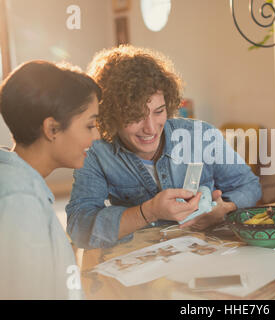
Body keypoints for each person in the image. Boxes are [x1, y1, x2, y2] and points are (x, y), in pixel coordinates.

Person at [66, 45, 262, 249]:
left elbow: (249, 185)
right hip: (142, 267)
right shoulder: (97, 152)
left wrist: (225, 209)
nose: (150, 128)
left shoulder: (202, 136)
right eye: (135, 117)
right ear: (110, 114)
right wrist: (148, 212)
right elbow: (79, 228)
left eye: (158, 111)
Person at [0, 60, 102, 299]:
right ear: (52, 129)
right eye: (90, 125)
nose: (96, 136)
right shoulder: (20, 200)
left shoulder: (18, 181)